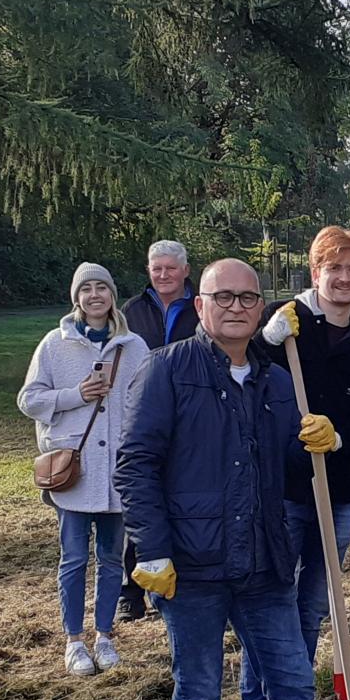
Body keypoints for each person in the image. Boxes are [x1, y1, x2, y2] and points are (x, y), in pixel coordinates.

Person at [114, 259, 349, 700]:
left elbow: (288, 473)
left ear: (261, 307)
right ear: (201, 305)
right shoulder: (166, 370)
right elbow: (135, 464)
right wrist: (153, 548)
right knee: (198, 698)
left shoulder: (277, 381)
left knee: (292, 687)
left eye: (249, 298)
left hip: (264, 564)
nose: (237, 307)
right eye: (224, 297)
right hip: (191, 568)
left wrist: (320, 444)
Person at [241, 226, 350, 700]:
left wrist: (342, 438)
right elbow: (242, 378)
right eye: (335, 268)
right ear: (316, 273)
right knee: (270, 606)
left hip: (337, 490)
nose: (345, 278)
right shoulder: (285, 324)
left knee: (309, 611)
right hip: (280, 489)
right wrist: (264, 341)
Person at [18, 263, 148, 677]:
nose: (94, 296)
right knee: (73, 558)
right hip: (73, 470)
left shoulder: (134, 346)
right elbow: (29, 399)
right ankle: (74, 640)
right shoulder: (54, 345)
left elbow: (147, 401)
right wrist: (75, 395)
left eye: (101, 288)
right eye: (86, 289)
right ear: (76, 297)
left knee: (111, 558)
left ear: (112, 295)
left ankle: (105, 636)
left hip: (117, 472)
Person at [116, 240, 201, 623]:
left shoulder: (201, 306)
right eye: (157, 269)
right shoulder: (132, 311)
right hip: (146, 412)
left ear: (185, 271)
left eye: (170, 268)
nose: (163, 275)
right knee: (142, 497)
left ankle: (185, 577)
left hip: (193, 412)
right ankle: (131, 590)